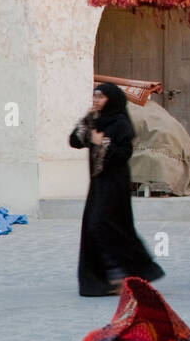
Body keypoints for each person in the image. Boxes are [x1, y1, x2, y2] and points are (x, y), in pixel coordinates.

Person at [69, 82, 165, 296]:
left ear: (112, 100)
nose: (96, 100)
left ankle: (123, 274)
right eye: (95, 97)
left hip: (115, 183)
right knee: (97, 227)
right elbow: (74, 140)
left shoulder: (121, 123)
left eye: (101, 97)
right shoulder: (96, 120)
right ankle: (109, 277)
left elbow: (123, 154)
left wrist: (102, 143)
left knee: (104, 225)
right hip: (98, 183)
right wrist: (88, 122)